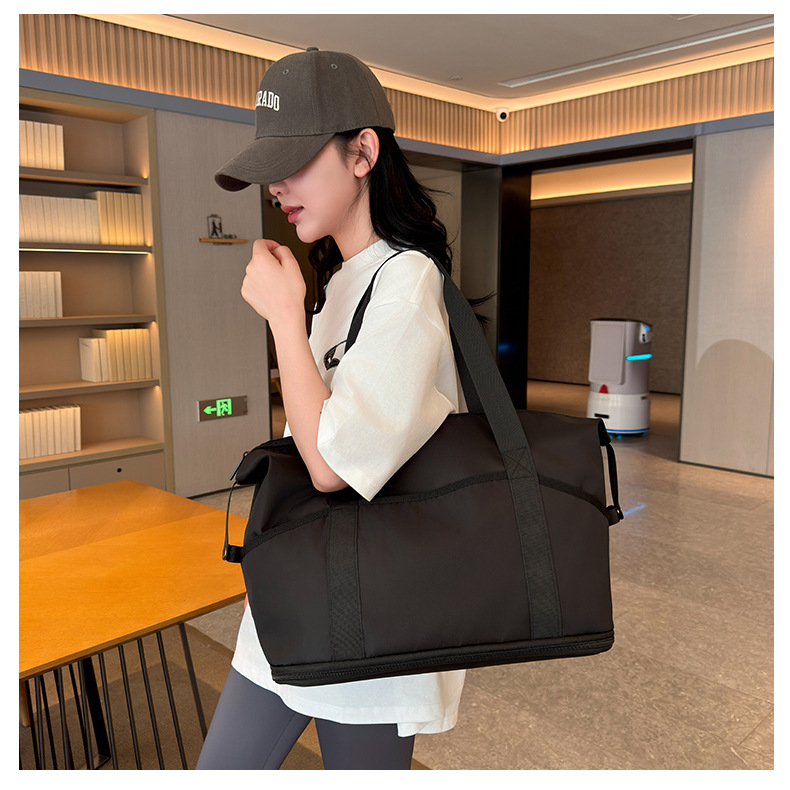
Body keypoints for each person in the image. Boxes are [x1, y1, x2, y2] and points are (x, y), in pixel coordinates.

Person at [197, 48, 466, 770]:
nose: (276, 187)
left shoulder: (409, 284)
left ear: (363, 152)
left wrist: (286, 320)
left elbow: (331, 467)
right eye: (270, 169)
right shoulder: (345, 280)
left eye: (294, 161)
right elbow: (309, 438)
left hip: (374, 611)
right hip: (303, 584)